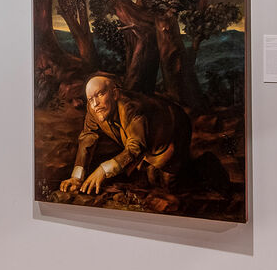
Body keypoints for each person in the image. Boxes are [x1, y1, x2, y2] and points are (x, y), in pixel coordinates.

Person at [59, 75, 191, 195]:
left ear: (115, 93)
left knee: (170, 185)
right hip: (147, 144)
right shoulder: (94, 108)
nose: (95, 104)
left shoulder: (131, 108)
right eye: (90, 99)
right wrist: (76, 177)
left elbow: (135, 147)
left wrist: (103, 170)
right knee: (150, 180)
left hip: (173, 131)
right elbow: (88, 136)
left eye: (100, 94)